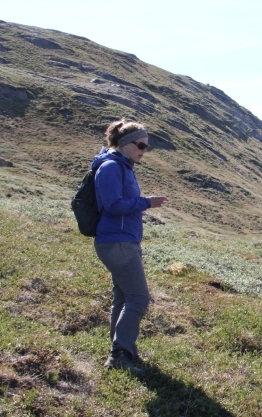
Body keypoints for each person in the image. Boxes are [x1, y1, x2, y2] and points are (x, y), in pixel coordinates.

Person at [91, 119, 169, 374]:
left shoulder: (123, 166)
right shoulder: (111, 167)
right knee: (138, 298)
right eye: (141, 145)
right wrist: (146, 202)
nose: (145, 151)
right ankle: (119, 354)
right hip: (117, 242)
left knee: (123, 296)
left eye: (147, 146)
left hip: (123, 241)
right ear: (126, 144)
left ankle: (123, 349)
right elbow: (113, 206)